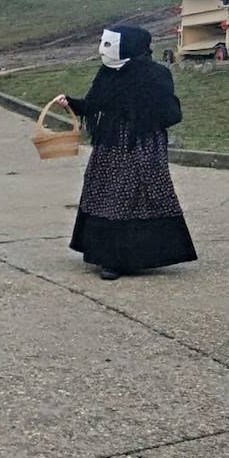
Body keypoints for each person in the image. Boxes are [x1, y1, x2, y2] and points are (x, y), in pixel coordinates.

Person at [57, 25, 197, 280]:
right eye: (103, 43)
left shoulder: (155, 74)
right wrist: (72, 103)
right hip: (110, 143)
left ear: (128, 46)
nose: (102, 50)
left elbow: (169, 113)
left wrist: (141, 116)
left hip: (140, 143)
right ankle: (107, 255)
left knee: (132, 195)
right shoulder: (107, 73)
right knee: (105, 193)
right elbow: (93, 104)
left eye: (108, 44)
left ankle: (126, 258)